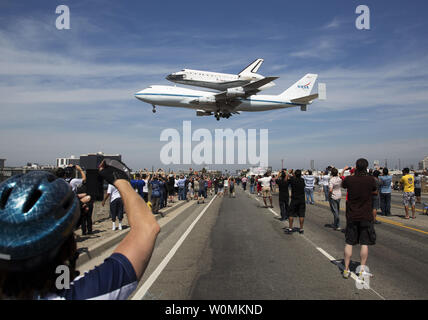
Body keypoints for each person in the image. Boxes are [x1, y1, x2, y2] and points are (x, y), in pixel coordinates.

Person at [0, 159, 159, 300]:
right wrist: (121, 179)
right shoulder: (87, 293)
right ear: (68, 247)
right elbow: (146, 228)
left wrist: (62, 217)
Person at [341, 158, 377, 279]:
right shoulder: (370, 179)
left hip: (352, 215)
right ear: (366, 167)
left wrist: (350, 172)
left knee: (349, 243)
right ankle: (362, 269)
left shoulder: (350, 179)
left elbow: (343, 184)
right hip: (366, 215)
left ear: (356, 167)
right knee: (365, 243)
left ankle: (346, 269)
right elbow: (375, 190)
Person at [285, 170, 306, 234]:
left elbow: (285, 180)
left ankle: (290, 228)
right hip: (302, 199)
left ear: (295, 174)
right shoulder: (302, 180)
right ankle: (301, 228)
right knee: (301, 215)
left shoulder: (292, 180)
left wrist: (288, 173)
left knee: (291, 214)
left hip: (294, 199)